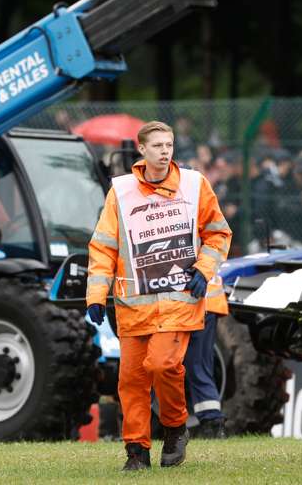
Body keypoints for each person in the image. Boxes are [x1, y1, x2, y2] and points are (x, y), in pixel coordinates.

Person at [86, 121, 232, 471]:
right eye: (158, 146)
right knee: (131, 380)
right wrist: (95, 293)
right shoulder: (120, 192)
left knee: (163, 364)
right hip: (133, 307)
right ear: (142, 150)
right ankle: (136, 452)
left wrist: (202, 270)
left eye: (169, 145)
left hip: (179, 300)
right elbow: (104, 246)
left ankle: (175, 427)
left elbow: (218, 233)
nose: (165, 151)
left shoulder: (195, 184)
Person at [183, 273, 229, 439]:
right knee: (199, 366)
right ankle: (212, 423)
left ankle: (212, 423)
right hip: (204, 299)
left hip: (195, 300)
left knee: (196, 366)